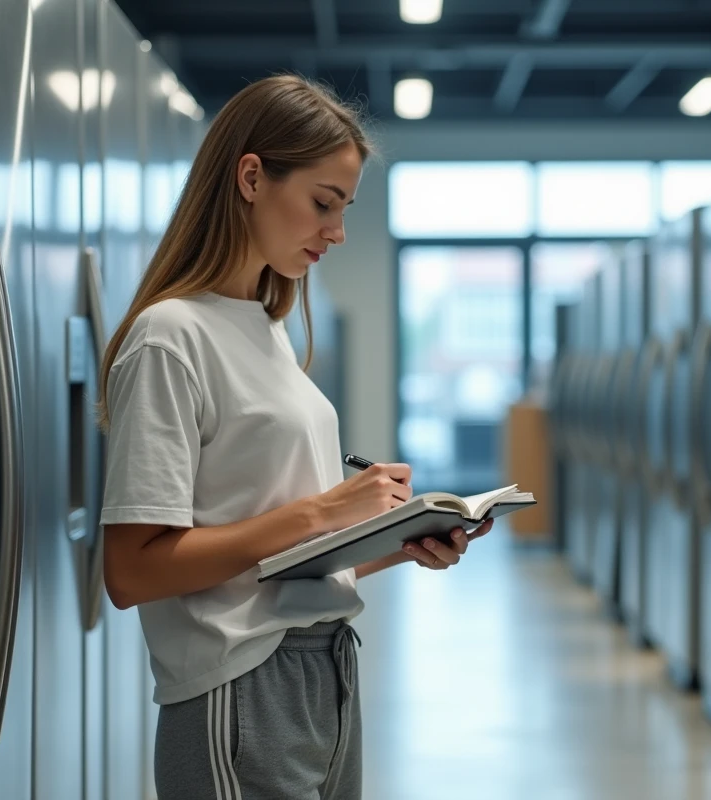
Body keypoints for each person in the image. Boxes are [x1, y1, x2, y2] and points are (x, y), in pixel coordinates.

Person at [97, 74, 494, 800]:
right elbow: (132, 571)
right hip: (237, 688)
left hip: (326, 668)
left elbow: (272, 566)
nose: (336, 232)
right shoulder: (169, 336)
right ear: (251, 177)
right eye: (323, 203)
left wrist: (396, 543)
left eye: (343, 209)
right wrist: (324, 510)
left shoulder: (268, 329)